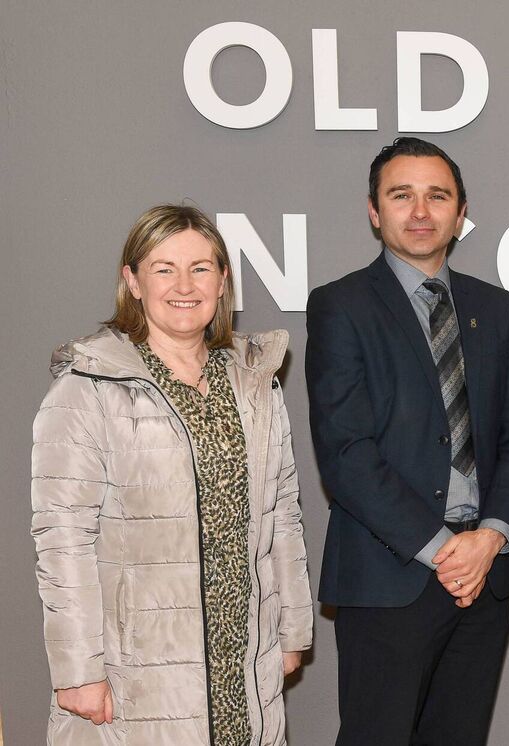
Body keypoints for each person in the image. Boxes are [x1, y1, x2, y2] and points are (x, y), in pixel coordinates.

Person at [31, 204, 313, 744]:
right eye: (164, 269)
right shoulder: (87, 388)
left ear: (223, 281)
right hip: (140, 669)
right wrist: (78, 670)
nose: (184, 286)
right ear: (133, 281)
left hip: (245, 663)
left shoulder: (254, 382)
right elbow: (63, 539)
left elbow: (283, 512)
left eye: (200, 268)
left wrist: (292, 628)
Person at [306, 137, 509, 745]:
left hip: (484, 577)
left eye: (437, 196)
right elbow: (347, 453)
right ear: (373, 210)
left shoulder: (494, 307)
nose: (420, 211)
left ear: (460, 213)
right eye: (401, 195)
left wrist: (490, 538)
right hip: (390, 577)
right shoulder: (340, 306)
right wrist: (442, 551)